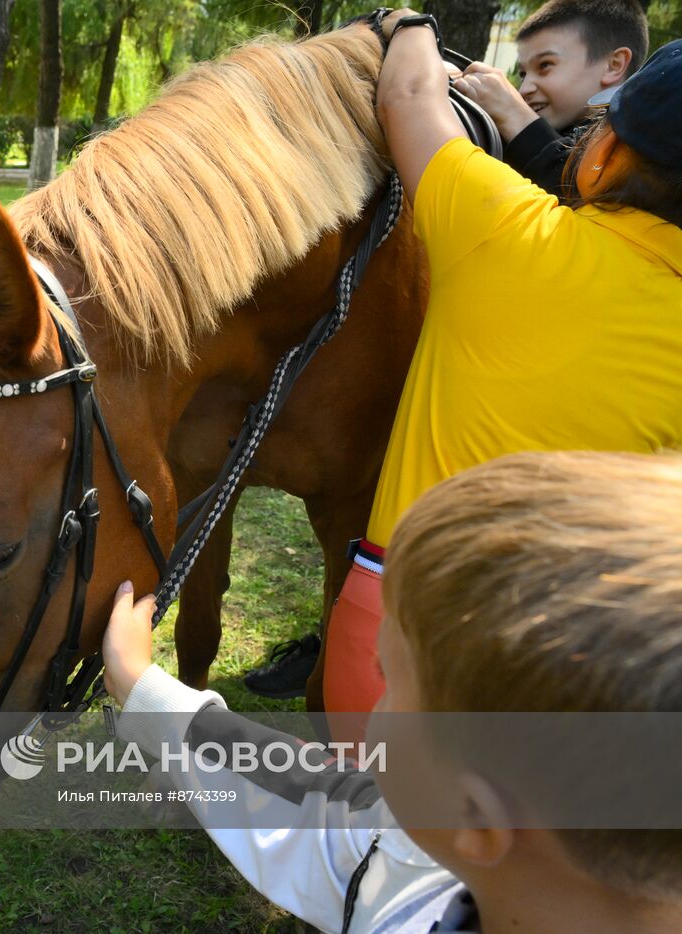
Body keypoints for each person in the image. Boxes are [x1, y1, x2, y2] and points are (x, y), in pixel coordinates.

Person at [104, 449, 682, 933]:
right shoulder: (425, 853)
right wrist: (142, 686)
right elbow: (315, 804)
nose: (377, 702)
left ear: (475, 817)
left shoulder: (407, 888)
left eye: (391, 685)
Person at [310, 15, 682, 727]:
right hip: (578, 674)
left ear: (603, 160)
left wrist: (404, 21)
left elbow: (409, 96)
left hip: (397, 640)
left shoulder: (507, 231)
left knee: (360, 829)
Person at [456, 0, 649, 196]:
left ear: (613, 65)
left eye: (545, 65)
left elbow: (586, 195)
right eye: (523, 74)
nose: (524, 90)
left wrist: (513, 114)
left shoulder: (646, 150)